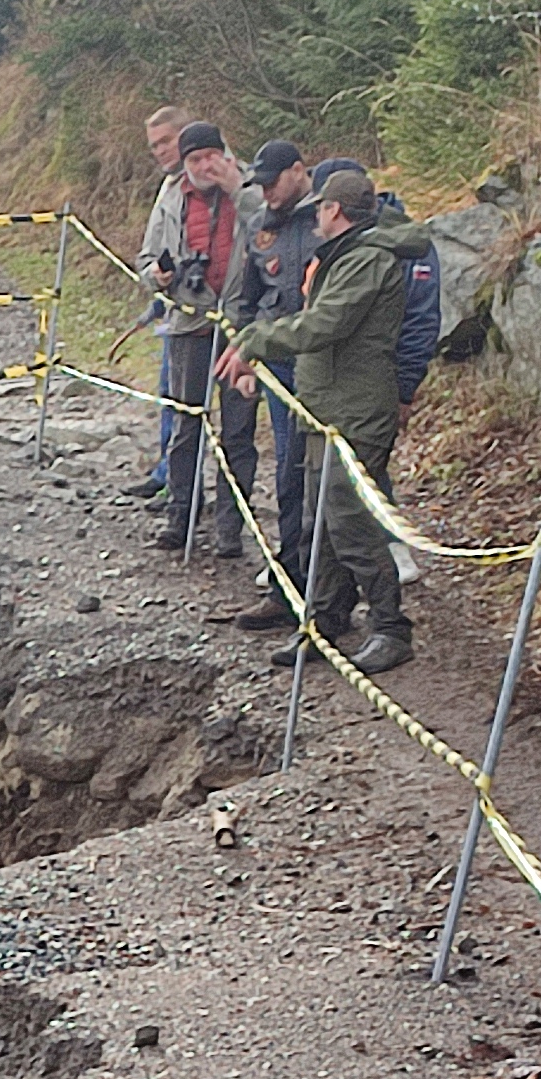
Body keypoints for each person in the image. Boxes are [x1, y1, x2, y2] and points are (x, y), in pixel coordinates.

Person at [220, 160, 434, 671]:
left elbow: (326, 323)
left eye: (321, 208)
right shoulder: (349, 253)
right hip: (327, 409)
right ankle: (325, 620)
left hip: (357, 411)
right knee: (322, 523)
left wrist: (255, 340)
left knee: (350, 522)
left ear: (334, 210)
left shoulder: (367, 259)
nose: (315, 217)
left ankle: (390, 627)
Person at [212, 140, 315, 630]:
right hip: (281, 369)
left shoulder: (330, 223)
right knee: (290, 480)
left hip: (329, 369)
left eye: (274, 183)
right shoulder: (260, 226)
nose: (269, 194)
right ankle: (289, 591)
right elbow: (247, 302)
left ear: (300, 172)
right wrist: (246, 357)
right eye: (262, 185)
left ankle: (334, 597)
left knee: (329, 487)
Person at [143, 122, 249, 552]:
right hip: (189, 322)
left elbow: (271, 233)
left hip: (242, 327)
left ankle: (230, 530)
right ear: (185, 165)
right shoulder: (170, 198)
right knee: (187, 424)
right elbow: (146, 258)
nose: (206, 166)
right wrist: (156, 275)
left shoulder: (250, 188)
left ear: (225, 153)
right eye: (195, 160)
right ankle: (180, 517)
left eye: (211, 156)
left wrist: (239, 189)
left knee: (238, 433)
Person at [118, 105, 189, 502]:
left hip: (218, 314)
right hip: (173, 309)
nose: (160, 151)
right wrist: (155, 277)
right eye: (154, 146)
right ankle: (168, 476)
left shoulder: (229, 180)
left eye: (166, 142)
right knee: (169, 394)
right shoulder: (167, 187)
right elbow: (148, 254)